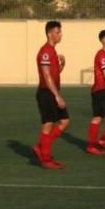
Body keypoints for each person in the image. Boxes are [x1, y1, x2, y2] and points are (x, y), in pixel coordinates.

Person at [33, 21, 69, 169]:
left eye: (60, 32)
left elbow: (53, 75)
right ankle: (46, 159)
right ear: (49, 33)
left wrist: (62, 65)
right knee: (48, 125)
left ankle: (40, 147)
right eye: (57, 32)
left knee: (64, 121)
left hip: (52, 91)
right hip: (46, 93)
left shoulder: (52, 51)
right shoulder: (46, 51)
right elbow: (47, 77)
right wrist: (57, 96)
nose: (60, 35)